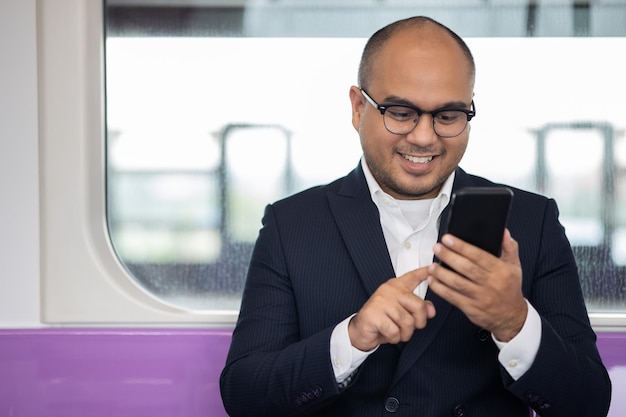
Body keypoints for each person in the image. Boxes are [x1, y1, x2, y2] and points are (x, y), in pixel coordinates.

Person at [219, 16, 612, 417]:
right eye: (401, 112)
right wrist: (352, 339)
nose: (424, 137)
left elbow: (588, 404)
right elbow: (245, 395)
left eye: (448, 115)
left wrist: (513, 322)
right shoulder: (292, 225)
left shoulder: (533, 221)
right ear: (358, 108)